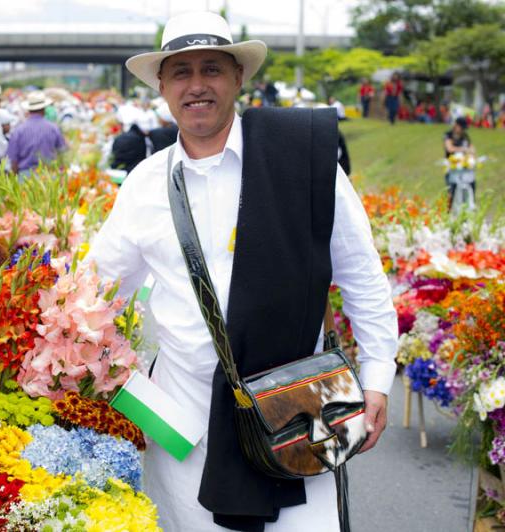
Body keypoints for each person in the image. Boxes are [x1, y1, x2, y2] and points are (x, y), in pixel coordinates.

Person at [86, 11, 397, 531]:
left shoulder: (302, 161)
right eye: (180, 72)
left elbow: (361, 272)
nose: (197, 85)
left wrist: (379, 376)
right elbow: (95, 297)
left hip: (298, 411)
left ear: (238, 77)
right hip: (185, 426)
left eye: (212, 68)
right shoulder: (142, 186)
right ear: (162, 86)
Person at [6, 91, 66, 176]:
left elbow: (13, 160)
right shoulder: (53, 128)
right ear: (44, 109)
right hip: (48, 176)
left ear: (29, 109)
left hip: (25, 177)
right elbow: (62, 153)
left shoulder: (19, 130)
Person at [444, 117, 475, 209]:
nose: (463, 130)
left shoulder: (465, 137)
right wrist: (464, 149)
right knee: (451, 190)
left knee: (471, 186)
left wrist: (471, 155)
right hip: (452, 168)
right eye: (462, 128)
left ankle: (469, 208)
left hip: (465, 168)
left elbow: (472, 149)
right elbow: (449, 148)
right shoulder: (449, 135)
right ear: (457, 126)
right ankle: (448, 211)